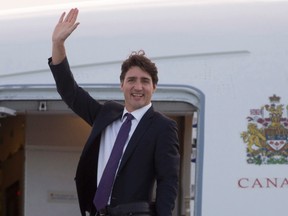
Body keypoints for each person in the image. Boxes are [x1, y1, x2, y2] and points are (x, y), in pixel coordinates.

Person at [48, 8, 180, 216]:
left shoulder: (163, 127)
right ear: (121, 85)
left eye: (145, 81)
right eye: (131, 80)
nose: (138, 87)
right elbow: (69, 91)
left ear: (154, 87)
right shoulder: (106, 115)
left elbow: (168, 181)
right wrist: (58, 44)